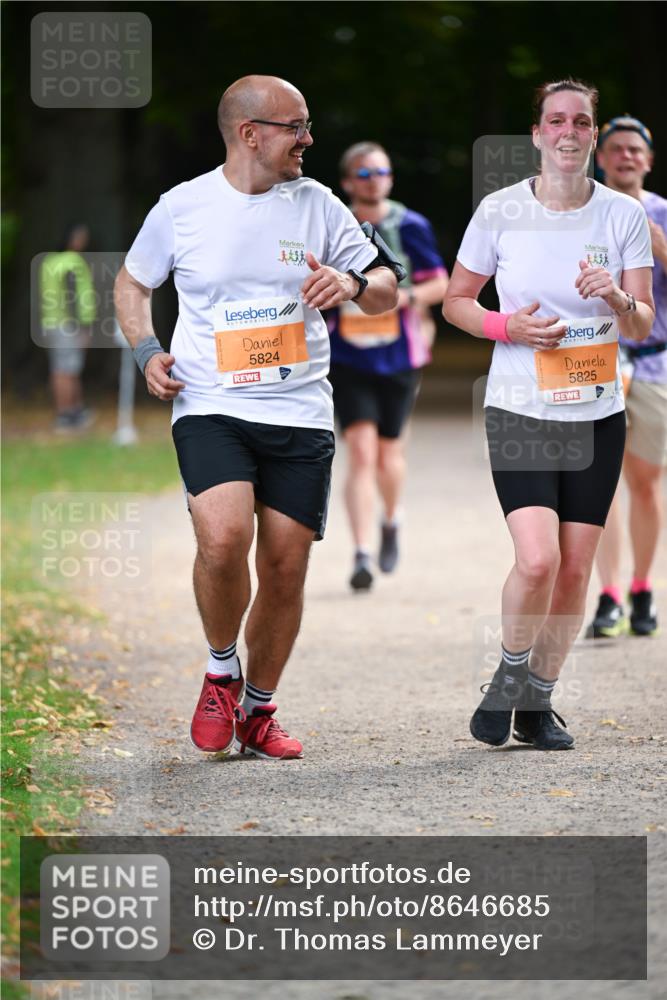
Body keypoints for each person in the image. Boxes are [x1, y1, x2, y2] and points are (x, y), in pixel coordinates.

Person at [114, 76, 398, 760]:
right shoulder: (182, 207)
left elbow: (388, 288)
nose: (308, 139)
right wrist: (147, 349)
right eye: (295, 127)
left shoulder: (319, 204)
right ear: (250, 134)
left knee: (285, 564)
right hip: (211, 403)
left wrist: (353, 283)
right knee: (223, 539)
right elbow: (132, 283)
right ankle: (221, 671)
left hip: (300, 409)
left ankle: (258, 709)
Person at [443, 78, 654, 751]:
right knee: (537, 561)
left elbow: (642, 323)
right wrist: (506, 327)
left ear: (592, 135)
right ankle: (509, 674)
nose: (569, 131)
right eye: (556, 120)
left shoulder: (622, 215)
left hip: (596, 414)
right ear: (536, 134)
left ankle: (537, 700)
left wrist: (617, 298)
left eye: (581, 121)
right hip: (520, 408)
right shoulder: (499, 210)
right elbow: (455, 301)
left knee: (575, 568)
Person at [327, 142, 448, 590]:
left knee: (388, 451)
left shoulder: (410, 225)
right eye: (363, 173)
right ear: (347, 182)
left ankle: (392, 519)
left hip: (399, 354)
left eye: (380, 171)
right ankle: (361, 553)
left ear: (391, 178)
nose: (373, 180)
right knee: (360, 451)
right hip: (347, 355)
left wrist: (403, 298)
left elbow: (440, 283)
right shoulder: (334, 225)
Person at [587, 116, 667, 638]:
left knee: (645, 481)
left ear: (648, 160)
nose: (625, 157)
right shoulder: (583, 211)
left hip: (655, 362)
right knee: (600, 483)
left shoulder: (662, 212)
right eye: (615, 149)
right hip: (596, 359)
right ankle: (609, 593)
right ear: (601, 159)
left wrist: (658, 244)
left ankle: (642, 587)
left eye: (635, 150)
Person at [40, 224, 96, 432]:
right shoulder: (72, 262)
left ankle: (75, 411)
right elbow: (72, 294)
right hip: (68, 324)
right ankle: (65, 414)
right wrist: (83, 326)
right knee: (65, 370)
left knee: (66, 368)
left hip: (51, 322)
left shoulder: (49, 261)